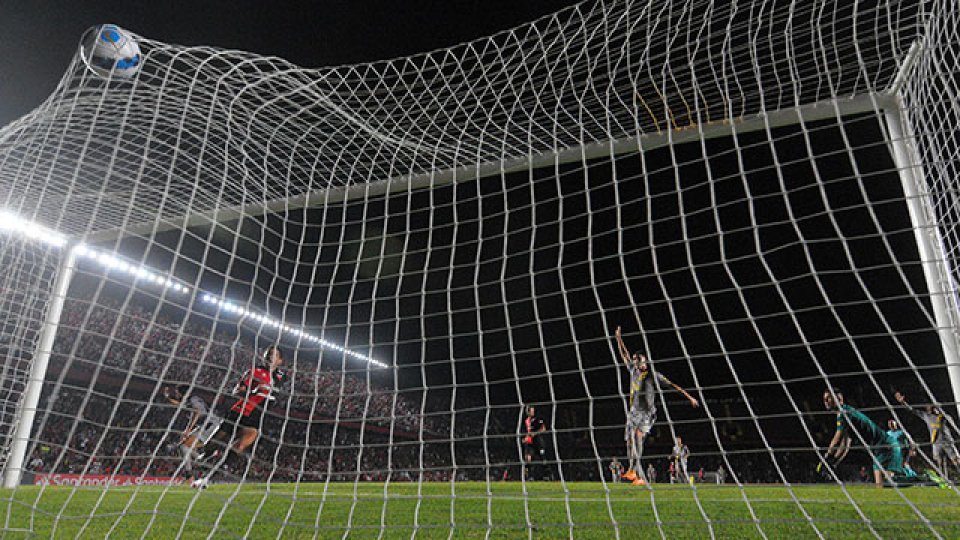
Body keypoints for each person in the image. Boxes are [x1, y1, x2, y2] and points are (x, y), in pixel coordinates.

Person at [615, 326, 699, 486]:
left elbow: (673, 385)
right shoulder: (633, 371)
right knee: (629, 442)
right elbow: (624, 355)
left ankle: (634, 470)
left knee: (637, 437)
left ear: (644, 361)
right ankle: (634, 473)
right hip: (633, 412)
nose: (634, 362)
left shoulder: (654, 375)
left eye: (637, 359)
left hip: (647, 413)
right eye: (634, 360)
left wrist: (690, 397)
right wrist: (619, 339)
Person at [199, 346, 285, 483]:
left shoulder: (281, 377)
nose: (270, 357)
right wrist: (254, 391)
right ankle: (205, 458)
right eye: (268, 354)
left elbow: (275, 394)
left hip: (257, 417)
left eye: (274, 355)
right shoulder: (254, 371)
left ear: (280, 360)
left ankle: (209, 478)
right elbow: (237, 391)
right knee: (210, 445)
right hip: (239, 411)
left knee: (240, 446)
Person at [821, 388, 919, 487]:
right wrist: (834, 463)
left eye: (828, 398)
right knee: (880, 486)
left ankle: (919, 479)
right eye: (824, 399)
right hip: (879, 449)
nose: (825, 401)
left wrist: (827, 456)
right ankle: (915, 478)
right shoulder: (846, 412)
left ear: (838, 399)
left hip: (885, 447)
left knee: (887, 482)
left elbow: (837, 439)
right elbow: (845, 445)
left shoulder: (844, 413)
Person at [163, 384, 223, 486]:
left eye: (177, 393)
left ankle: (190, 476)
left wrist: (188, 430)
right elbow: (179, 404)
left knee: (184, 445)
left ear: (182, 393)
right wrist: (168, 397)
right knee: (184, 447)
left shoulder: (193, 400)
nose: (176, 394)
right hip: (207, 424)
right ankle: (202, 461)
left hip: (209, 425)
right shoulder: (192, 400)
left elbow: (197, 412)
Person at [895, 391, 960, 480]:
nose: (928, 408)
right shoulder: (927, 416)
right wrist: (903, 402)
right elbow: (912, 410)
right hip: (936, 443)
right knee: (940, 462)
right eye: (927, 406)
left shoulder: (944, 416)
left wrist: (941, 414)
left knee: (956, 460)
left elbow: (953, 425)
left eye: (930, 406)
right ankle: (944, 480)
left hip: (947, 441)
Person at [521, 405, 546, 480]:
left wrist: (535, 434)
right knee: (528, 459)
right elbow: (527, 432)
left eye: (533, 411)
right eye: (531, 411)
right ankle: (529, 476)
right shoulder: (526, 421)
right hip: (530, 443)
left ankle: (546, 475)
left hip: (538, 442)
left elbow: (543, 429)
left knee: (543, 459)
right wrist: (525, 438)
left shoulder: (538, 419)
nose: (533, 412)